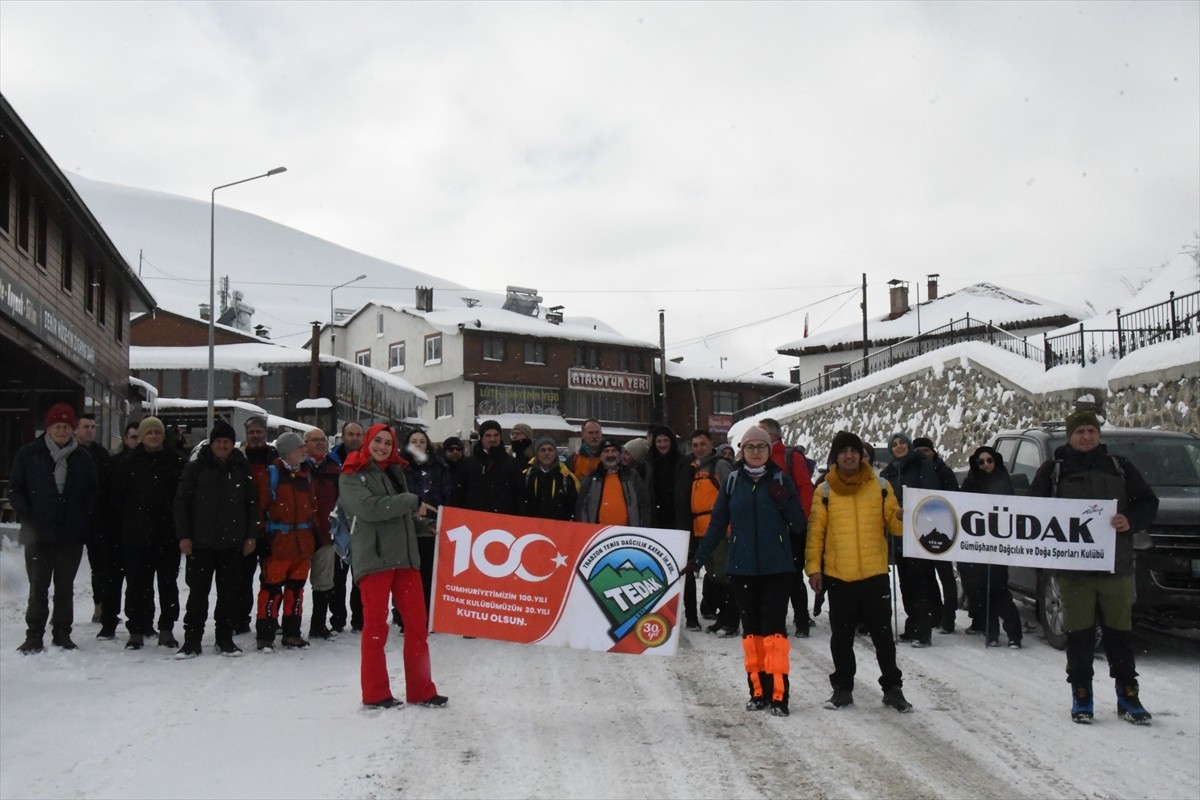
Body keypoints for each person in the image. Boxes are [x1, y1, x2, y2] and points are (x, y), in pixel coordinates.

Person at [1029, 409, 1159, 725]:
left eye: (1091, 431)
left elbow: (1147, 503)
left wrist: (1130, 521)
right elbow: (1032, 512)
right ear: (1070, 436)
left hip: (1116, 567)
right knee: (1080, 637)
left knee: (1119, 636)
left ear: (1098, 435)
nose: (1086, 436)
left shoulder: (1120, 467)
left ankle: (1128, 694)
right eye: (1080, 431)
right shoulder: (1054, 471)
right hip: (1074, 572)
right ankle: (1082, 695)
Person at [683, 425, 807, 717]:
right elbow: (716, 525)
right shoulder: (733, 482)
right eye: (749, 447)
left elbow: (799, 524)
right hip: (742, 569)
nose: (755, 452)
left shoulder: (781, 480)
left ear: (768, 450)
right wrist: (698, 558)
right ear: (742, 451)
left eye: (760, 447)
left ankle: (779, 696)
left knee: (774, 635)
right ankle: (758, 692)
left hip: (776, 569)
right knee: (751, 635)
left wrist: (784, 499)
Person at [339, 423, 447, 709]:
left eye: (388, 442)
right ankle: (375, 693)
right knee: (376, 627)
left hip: (405, 558)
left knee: (416, 625)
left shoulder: (395, 471)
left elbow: (400, 515)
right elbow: (370, 509)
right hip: (375, 559)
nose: (383, 447)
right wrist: (411, 501)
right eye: (378, 441)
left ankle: (422, 689)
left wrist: (423, 525)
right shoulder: (352, 472)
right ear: (367, 442)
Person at [806, 431, 912, 713]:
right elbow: (816, 533)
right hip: (840, 576)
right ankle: (842, 689)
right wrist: (814, 569)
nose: (849, 456)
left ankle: (892, 688)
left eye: (854, 450)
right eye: (844, 451)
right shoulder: (825, 491)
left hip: (874, 574)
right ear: (836, 456)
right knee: (841, 638)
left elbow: (895, 525)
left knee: (883, 637)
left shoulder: (880, 485)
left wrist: (901, 517)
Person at [10, 403, 99, 653]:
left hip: (70, 535)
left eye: (66, 426)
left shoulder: (83, 458)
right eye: (57, 426)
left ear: (72, 429)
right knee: (38, 586)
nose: (61, 430)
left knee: (65, 587)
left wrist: (82, 517)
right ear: (48, 428)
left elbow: (93, 492)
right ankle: (34, 634)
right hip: (38, 532)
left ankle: (62, 633)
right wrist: (29, 514)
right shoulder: (29, 454)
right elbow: (16, 488)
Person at [173, 419, 258, 657]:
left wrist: (251, 535)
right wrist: (184, 536)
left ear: (233, 444)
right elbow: (181, 503)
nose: (223, 445)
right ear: (211, 443)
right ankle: (192, 640)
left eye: (227, 441)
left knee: (229, 595)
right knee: (197, 594)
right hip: (201, 543)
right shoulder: (197, 467)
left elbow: (252, 504)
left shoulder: (241, 467)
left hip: (232, 543)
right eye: (219, 441)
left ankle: (224, 639)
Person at [107, 416, 185, 650]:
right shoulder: (126, 463)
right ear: (141, 436)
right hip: (135, 535)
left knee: (168, 585)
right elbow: (116, 501)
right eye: (148, 433)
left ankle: (166, 628)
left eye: (157, 433)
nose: (153, 436)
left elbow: (183, 499)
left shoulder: (176, 462)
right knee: (137, 585)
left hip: (167, 535)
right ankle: (136, 630)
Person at [255, 431, 317, 651]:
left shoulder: (306, 474)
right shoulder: (271, 474)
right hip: (278, 543)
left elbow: (313, 508)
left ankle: (292, 633)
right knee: (271, 590)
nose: (305, 450)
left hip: (301, 544)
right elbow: (260, 509)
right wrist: (261, 538)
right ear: (288, 451)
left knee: (296, 590)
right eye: (300, 447)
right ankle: (265, 635)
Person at [880, 432, 940, 647]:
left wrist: (914, 509)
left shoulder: (921, 465)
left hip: (918, 532)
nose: (899, 447)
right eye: (894, 444)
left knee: (919, 583)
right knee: (905, 583)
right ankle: (912, 626)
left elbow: (929, 493)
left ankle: (923, 630)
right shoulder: (888, 473)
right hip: (898, 534)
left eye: (902, 443)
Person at [958, 445, 1022, 648]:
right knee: (982, 591)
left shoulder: (1003, 480)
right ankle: (991, 632)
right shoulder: (970, 482)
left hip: (997, 545)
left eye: (989, 461)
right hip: (977, 546)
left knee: (1000, 591)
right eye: (981, 462)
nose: (986, 465)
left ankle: (1014, 634)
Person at [759, 418, 815, 638]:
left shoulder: (790, 457)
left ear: (773, 435)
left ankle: (802, 620)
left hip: (790, 528)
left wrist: (800, 521)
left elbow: (805, 488)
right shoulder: (758, 455)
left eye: (762, 431)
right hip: (767, 528)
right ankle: (773, 620)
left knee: (792, 576)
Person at [676, 429, 735, 635]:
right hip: (702, 530)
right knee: (714, 576)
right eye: (695, 445)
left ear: (711, 445)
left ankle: (730, 620)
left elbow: (732, 495)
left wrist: (729, 527)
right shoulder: (698, 468)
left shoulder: (719, 465)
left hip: (718, 529)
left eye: (702, 444)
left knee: (724, 575)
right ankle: (723, 617)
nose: (699, 448)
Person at [912, 436, 960, 635]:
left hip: (944, 532)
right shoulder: (913, 473)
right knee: (927, 578)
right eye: (919, 451)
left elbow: (955, 500)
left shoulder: (944, 472)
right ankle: (935, 614)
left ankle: (949, 618)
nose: (923, 454)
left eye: (926, 450)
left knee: (946, 577)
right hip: (921, 532)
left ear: (933, 452)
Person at [402, 428, 454, 612]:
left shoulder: (439, 467)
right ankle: (403, 613)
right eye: (414, 441)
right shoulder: (400, 466)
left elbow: (446, 493)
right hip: (405, 525)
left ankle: (426, 611)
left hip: (431, 525)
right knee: (407, 572)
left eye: (421, 441)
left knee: (427, 572)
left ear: (427, 445)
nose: (418, 444)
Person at [237, 415, 277, 636]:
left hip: (271, 527)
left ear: (266, 433)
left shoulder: (274, 457)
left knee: (271, 577)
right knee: (242, 577)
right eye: (251, 431)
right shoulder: (238, 457)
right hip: (243, 526)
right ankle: (240, 618)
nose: (255, 435)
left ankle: (270, 617)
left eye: (259, 431)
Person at [305, 427, 342, 640]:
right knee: (294, 581)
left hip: (326, 533)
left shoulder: (334, 468)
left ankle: (318, 624)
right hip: (299, 534)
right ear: (305, 444)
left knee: (324, 581)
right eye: (314, 440)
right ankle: (287, 624)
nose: (319, 444)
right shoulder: (299, 467)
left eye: (322, 440)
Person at [74, 414, 112, 624]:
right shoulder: (68, 453)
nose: (89, 430)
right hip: (72, 519)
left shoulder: (101, 455)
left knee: (100, 567)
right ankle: (60, 609)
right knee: (65, 568)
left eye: (93, 427)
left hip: (97, 520)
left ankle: (100, 607)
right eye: (85, 426)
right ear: (76, 430)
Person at [331, 421, 364, 633]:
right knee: (337, 576)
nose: (354, 438)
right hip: (337, 524)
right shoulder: (332, 460)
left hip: (362, 524)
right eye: (350, 434)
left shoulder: (369, 460)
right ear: (343, 436)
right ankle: (337, 619)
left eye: (358, 434)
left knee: (360, 576)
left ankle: (359, 619)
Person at [451, 420, 523, 515]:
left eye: (496, 435)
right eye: (488, 435)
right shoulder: (468, 464)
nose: (492, 439)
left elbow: (519, 497)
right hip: (474, 519)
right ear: (481, 438)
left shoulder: (512, 464)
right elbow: (458, 495)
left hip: (504, 522)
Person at [576, 438, 651, 527]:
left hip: (629, 535)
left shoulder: (632, 476)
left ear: (620, 454)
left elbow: (644, 506)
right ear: (601, 455)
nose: (610, 454)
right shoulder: (591, 478)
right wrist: (585, 529)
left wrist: (642, 529)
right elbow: (581, 508)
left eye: (613, 450)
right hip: (598, 534)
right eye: (606, 451)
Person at [521, 437, 579, 521]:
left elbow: (576, 506)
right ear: (537, 454)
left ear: (555, 453)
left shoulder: (567, 478)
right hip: (531, 529)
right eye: (543, 450)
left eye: (550, 450)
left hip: (559, 528)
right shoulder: (526, 476)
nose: (547, 453)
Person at [644, 426, 681, 530]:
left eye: (666, 441)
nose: (662, 445)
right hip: (656, 516)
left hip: (676, 515)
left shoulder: (682, 462)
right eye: (659, 441)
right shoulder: (649, 462)